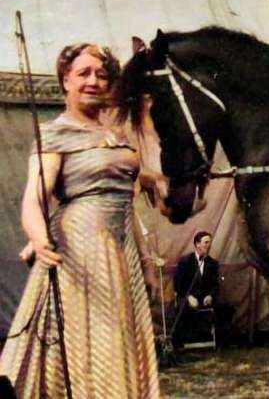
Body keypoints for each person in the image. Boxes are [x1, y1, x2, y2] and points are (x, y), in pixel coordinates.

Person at [0, 43, 164, 398]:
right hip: (82, 246)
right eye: (84, 73)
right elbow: (35, 198)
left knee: (120, 336)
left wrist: (147, 262)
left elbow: (126, 197)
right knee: (93, 338)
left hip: (122, 247)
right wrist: (38, 236)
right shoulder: (56, 132)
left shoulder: (117, 135)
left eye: (102, 75)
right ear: (65, 80)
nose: (94, 81)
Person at [173, 231, 233, 348]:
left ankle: (222, 342)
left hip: (206, 298)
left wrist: (210, 295)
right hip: (188, 297)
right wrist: (188, 297)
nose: (208, 246)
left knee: (226, 307)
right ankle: (180, 345)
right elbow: (178, 284)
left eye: (209, 243)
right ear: (197, 244)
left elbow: (215, 285)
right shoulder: (185, 261)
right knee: (180, 309)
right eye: (205, 243)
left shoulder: (213, 263)